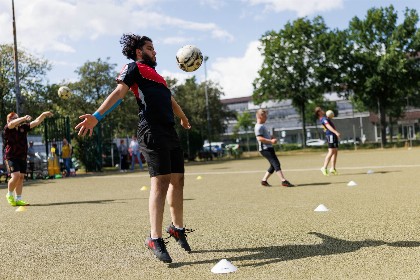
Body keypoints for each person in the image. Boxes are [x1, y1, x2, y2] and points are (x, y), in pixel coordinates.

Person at [75, 34, 192, 263]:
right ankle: (154, 238)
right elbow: (119, 93)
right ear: (139, 51)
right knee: (161, 181)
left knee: (178, 179)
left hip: (169, 131)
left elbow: (170, 99)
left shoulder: (158, 76)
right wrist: (97, 117)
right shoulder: (133, 67)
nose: (155, 52)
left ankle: (177, 228)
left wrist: (183, 118)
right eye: (150, 48)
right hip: (151, 130)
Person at [4, 111, 53, 206]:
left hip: (22, 157)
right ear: (9, 120)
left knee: (21, 178)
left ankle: (18, 199)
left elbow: (36, 122)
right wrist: (23, 118)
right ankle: (9, 194)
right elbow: (12, 124)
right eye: (15, 118)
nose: (17, 119)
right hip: (11, 157)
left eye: (17, 117)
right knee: (16, 176)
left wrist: (43, 114)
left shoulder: (23, 128)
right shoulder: (8, 128)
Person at [254, 109, 294, 187]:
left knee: (273, 165)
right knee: (276, 163)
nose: (266, 118)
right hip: (265, 149)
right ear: (260, 116)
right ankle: (283, 181)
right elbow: (259, 138)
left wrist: (270, 137)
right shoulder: (258, 127)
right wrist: (271, 141)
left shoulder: (262, 126)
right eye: (265, 116)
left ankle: (264, 181)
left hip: (268, 148)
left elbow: (264, 136)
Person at [315, 107, 341, 176]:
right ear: (319, 113)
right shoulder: (323, 119)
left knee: (335, 151)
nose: (323, 110)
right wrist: (336, 132)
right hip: (331, 135)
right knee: (331, 151)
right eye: (321, 110)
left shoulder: (325, 118)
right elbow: (328, 126)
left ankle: (333, 168)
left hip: (333, 135)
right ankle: (324, 167)